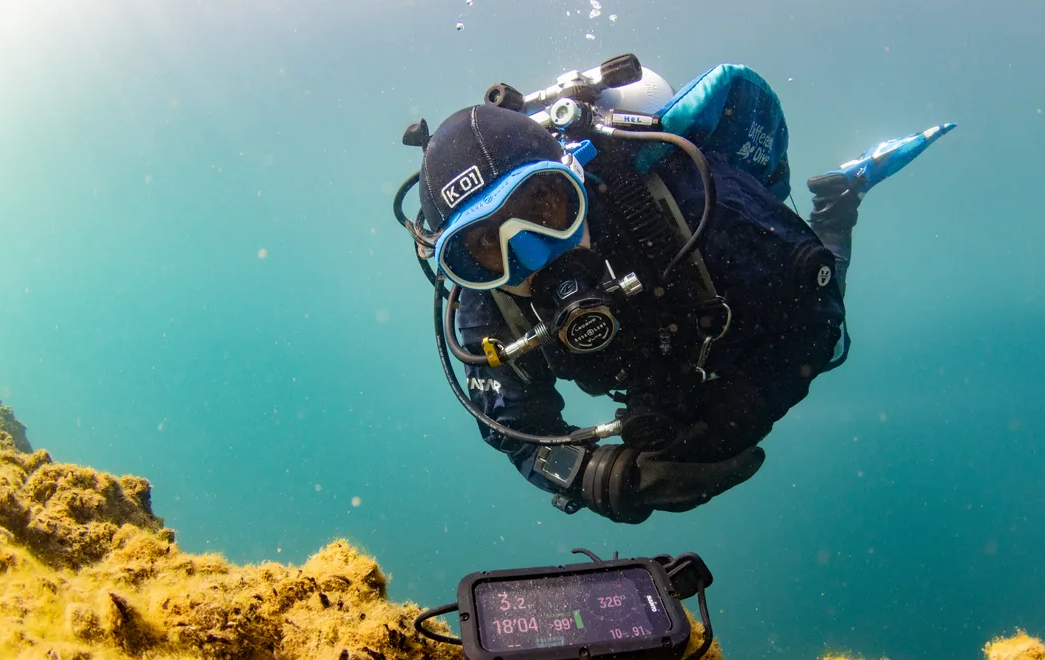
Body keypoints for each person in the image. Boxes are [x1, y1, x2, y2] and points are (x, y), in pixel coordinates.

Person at [397, 59, 952, 523]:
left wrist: (750, 404)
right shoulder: (484, 304)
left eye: (545, 206)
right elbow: (515, 428)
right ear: (461, 261)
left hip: (729, 316)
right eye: (488, 247)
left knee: (832, 349)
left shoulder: (689, 199)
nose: (533, 254)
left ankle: (840, 201)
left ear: (578, 176)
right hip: (650, 363)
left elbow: (814, 310)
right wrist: (590, 477)